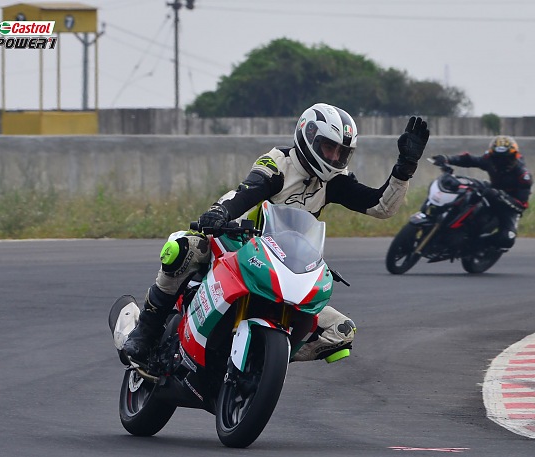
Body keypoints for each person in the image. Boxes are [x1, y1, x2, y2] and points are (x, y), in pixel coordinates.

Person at [123, 103, 430, 366]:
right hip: (236, 244)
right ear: (308, 136)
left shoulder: (334, 180)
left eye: (341, 152)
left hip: (285, 263)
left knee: (341, 330)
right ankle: (145, 330)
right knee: (183, 248)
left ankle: (264, 361)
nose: (334, 157)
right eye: (328, 147)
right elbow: (248, 191)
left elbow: (380, 206)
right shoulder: (279, 161)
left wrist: (405, 168)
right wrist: (220, 213)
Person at [431, 135, 532, 250]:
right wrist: (447, 159)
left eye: (506, 158)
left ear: (514, 156)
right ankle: (444, 221)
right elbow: (470, 160)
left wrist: (501, 196)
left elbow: (521, 205)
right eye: (497, 158)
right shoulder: (489, 160)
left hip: (509, 207)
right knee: (466, 190)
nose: (501, 162)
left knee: (507, 239)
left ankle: (476, 245)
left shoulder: (523, 175)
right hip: (490, 191)